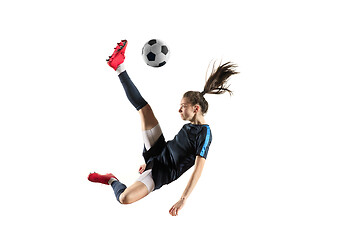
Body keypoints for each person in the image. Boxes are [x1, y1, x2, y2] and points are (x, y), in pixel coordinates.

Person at [88, 40, 238, 216]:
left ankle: (111, 179)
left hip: (161, 173)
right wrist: (150, 160)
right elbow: (175, 147)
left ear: (195, 108)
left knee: (124, 199)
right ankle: (118, 65)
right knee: (145, 109)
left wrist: (183, 198)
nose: (179, 110)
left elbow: (198, 169)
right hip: (158, 151)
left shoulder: (205, 134)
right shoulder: (189, 126)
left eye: (183, 106)